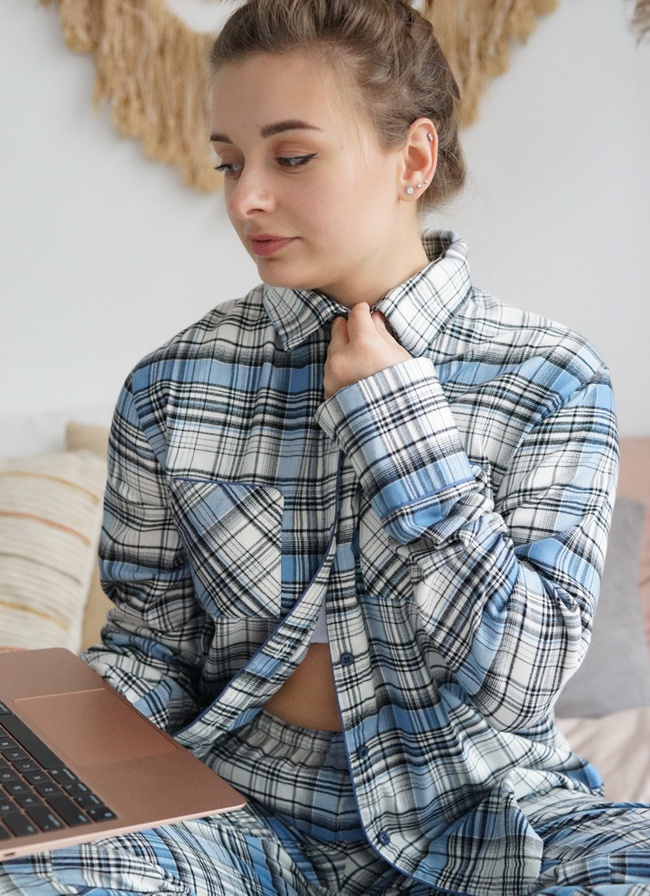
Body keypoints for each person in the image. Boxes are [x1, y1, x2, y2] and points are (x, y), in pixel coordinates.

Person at [3, 0, 650, 894]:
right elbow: (153, 654)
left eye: (292, 157)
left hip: (491, 816)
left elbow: (522, 681)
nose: (245, 199)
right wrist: (41, 730)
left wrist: (400, 428)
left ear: (413, 159)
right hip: (234, 820)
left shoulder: (551, 378)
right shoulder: (172, 383)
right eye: (228, 162)